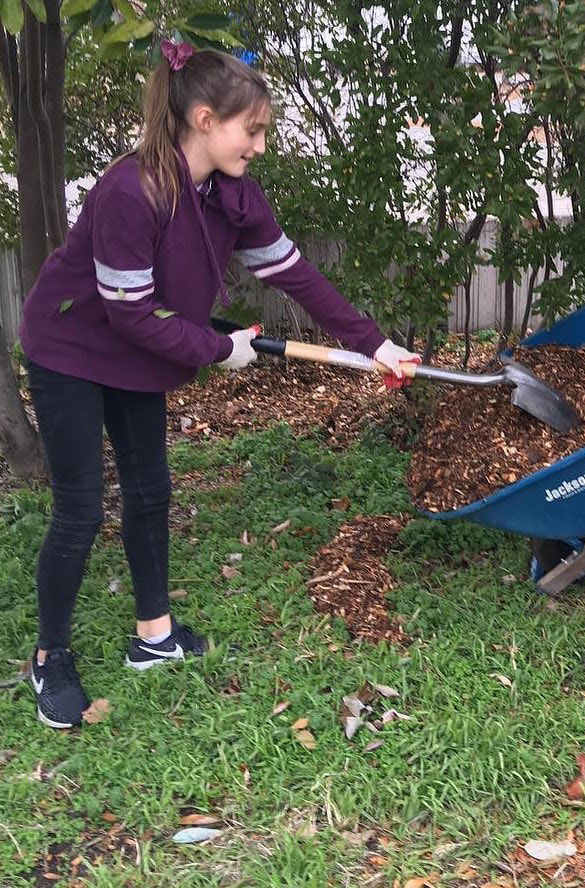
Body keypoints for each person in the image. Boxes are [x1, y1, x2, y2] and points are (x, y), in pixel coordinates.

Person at [19, 42, 420, 729]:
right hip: (72, 346)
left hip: (135, 348)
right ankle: (49, 656)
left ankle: (155, 636)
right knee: (82, 508)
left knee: (150, 488)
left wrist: (373, 343)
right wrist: (216, 348)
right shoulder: (130, 191)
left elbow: (295, 274)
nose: (259, 145)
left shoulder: (230, 193)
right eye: (252, 130)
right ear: (204, 119)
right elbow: (128, 312)